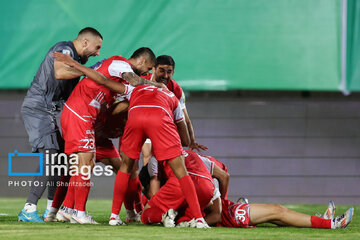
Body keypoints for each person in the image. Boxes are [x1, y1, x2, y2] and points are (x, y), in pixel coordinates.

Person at [51, 48, 163, 224]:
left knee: (91, 166)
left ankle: (67, 211)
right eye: (148, 68)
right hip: (80, 114)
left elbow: (113, 99)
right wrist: (157, 86)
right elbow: (126, 80)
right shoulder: (119, 64)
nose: (147, 73)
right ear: (141, 61)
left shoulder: (121, 86)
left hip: (91, 123)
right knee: (84, 164)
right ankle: (76, 213)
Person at [18, 27, 103, 223]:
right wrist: (89, 72)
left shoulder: (78, 61)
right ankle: (28, 209)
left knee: (60, 160)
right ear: (84, 42)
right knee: (50, 155)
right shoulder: (65, 49)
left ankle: (51, 210)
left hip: (55, 111)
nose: (98, 53)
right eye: (96, 47)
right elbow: (60, 71)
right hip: (38, 108)